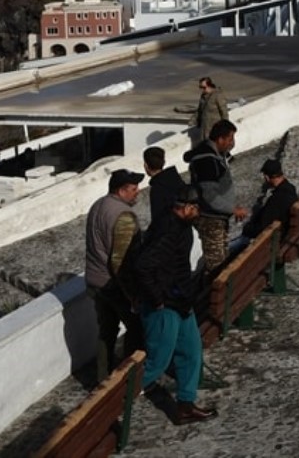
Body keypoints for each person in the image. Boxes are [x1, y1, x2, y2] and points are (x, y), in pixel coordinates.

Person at [129, 184, 218, 424]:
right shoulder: (168, 230)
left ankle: (185, 406)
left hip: (180, 302)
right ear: (186, 208)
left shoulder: (181, 225)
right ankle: (116, 400)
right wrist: (157, 300)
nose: (198, 212)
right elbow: (143, 266)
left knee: (191, 351)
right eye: (196, 208)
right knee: (157, 362)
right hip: (164, 306)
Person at [84, 169, 145, 382]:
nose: (137, 192)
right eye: (134, 189)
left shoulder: (97, 206)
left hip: (94, 281)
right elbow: (121, 261)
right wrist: (133, 295)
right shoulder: (123, 216)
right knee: (136, 327)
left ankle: (103, 378)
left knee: (106, 332)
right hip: (113, 284)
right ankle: (129, 379)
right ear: (121, 190)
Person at [184, 118, 247, 273]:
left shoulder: (215, 155)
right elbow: (210, 196)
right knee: (216, 266)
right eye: (230, 139)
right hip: (210, 219)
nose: (232, 143)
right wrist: (232, 209)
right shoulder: (206, 161)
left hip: (218, 218)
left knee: (222, 260)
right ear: (220, 139)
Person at [235, 157, 299, 253]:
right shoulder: (290, 188)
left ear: (267, 177)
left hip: (276, 242)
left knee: (234, 246)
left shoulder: (276, 200)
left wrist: (246, 228)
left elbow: (262, 228)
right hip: (288, 233)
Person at [174, 76, 228, 145]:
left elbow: (224, 113)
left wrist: (225, 128)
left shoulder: (218, 95)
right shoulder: (203, 96)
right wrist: (193, 120)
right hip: (204, 129)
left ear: (210, 85)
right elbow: (200, 110)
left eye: (204, 87)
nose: (202, 90)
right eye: (201, 87)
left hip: (215, 129)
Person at [144, 145, 185, 221]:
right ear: (164, 162)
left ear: (145, 165)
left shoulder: (157, 188)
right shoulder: (177, 180)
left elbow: (158, 219)